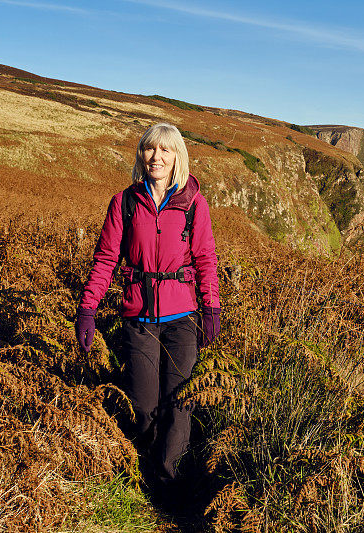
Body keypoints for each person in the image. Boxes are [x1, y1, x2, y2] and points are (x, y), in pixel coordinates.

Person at [74, 122, 220, 490]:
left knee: (178, 404)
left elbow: (205, 259)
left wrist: (211, 309)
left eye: (165, 151)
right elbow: (106, 258)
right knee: (143, 404)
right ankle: (145, 469)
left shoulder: (193, 204)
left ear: (177, 157)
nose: (156, 157)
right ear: (141, 155)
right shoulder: (124, 202)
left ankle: (167, 481)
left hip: (182, 319)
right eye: (150, 150)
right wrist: (87, 309)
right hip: (138, 317)